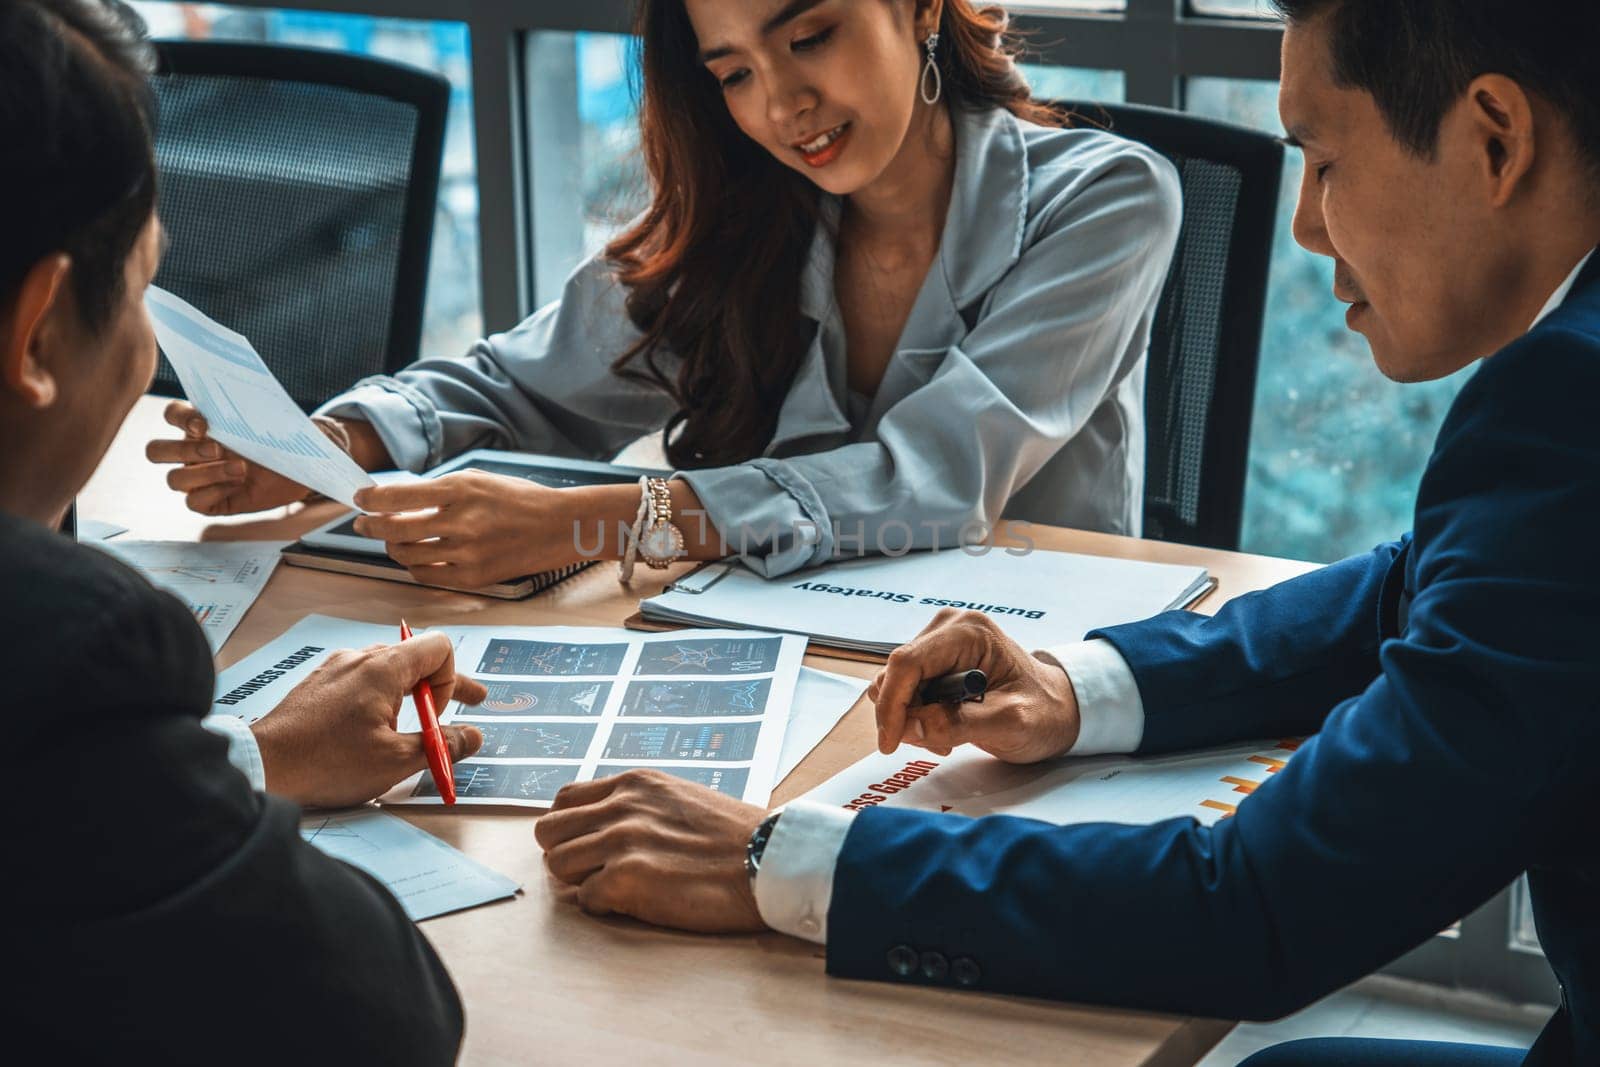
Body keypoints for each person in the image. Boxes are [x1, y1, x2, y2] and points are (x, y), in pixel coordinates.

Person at [529, 2, 1600, 1065]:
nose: (1307, 226)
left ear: (1494, 138)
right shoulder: (1562, 410)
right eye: (731, 71)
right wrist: (1077, 689)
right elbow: (1415, 587)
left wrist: (783, 860)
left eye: (1322, 163)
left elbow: (1259, 908)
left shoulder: (1566, 405)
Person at [148, 0, 1182, 590]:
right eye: (733, 73)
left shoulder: (1111, 200)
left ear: (919, 9)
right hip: (796, 659)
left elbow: (937, 482)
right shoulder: (750, 212)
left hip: (1024, 670)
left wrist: (602, 523)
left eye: (809, 34)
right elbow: (522, 384)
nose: (782, 105)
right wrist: (341, 443)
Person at [1, 1, 485, 1059]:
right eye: (143, 283)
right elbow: (381, 1015)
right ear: (38, 331)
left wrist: (243, 756)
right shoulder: (68, 648)